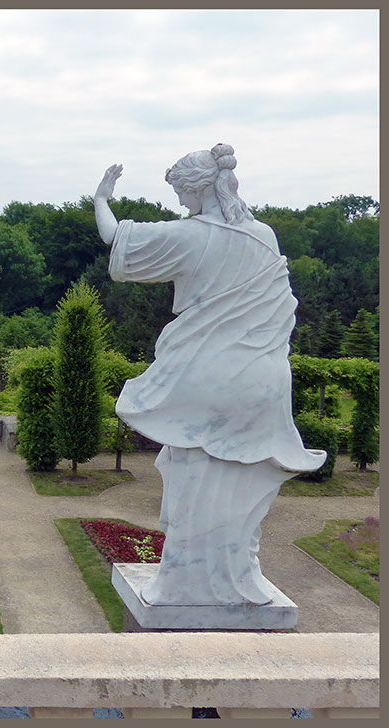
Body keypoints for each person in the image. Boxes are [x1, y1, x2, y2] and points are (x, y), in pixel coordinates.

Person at [93, 144, 325, 606]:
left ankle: (188, 582)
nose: (180, 202)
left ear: (198, 187)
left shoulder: (191, 235)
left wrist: (101, 199)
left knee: (195, 472)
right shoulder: (264, 235)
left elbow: (117, 238)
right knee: (239, 477)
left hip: (211, 373)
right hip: (262, 376)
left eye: (181, 192)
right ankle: (235, 572)